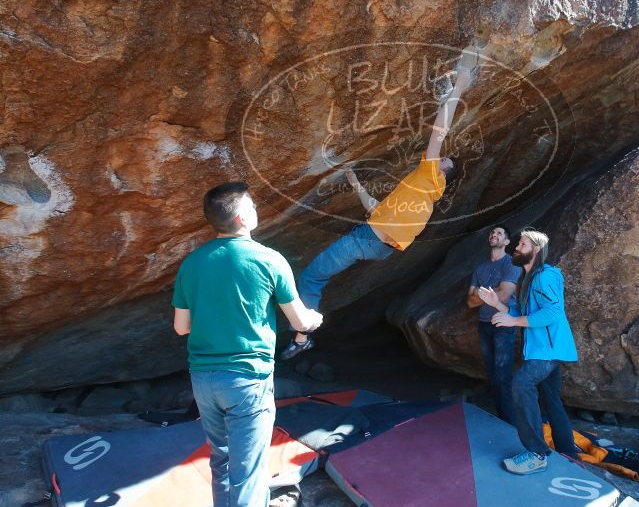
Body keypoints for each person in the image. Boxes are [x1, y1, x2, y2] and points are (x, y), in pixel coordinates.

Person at [280, 45, 480, 360]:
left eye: (442, 159)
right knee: (326, 268)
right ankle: (301, 328)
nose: (436, 156)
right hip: (380, 246)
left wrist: (458, 87)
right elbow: (375, 210)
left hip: (370, 239)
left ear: (444, 170)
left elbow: (439, 131)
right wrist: (356, 184)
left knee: (311, 276)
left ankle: (302, 336)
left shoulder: (431, 176)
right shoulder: (420, 192)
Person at [172, 182, 322, 507]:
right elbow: (299, 322)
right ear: (242, 218)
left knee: (221, 459)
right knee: (249, 472)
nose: (256, 210)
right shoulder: (269, 260)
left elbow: (181, 328)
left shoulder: (192, 263)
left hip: (203, 380)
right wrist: (314, 319)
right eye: (252, 206)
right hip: (247, 380)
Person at [478, 229, 578, 475]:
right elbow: (520, 316)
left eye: (522, 244)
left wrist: (513, 322)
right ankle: (568, 452)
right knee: (552, 400)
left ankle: (536, 453)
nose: (516, 248)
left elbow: (553, 312)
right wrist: (496, 304)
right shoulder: (529, 280)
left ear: (535, 249)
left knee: (521, 384)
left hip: (549, 350)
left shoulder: (545, 275)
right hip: (542, 351)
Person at [466, 224, 522, 423]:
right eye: (492, 232)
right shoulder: (480, 268)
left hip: (503, 324)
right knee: (492, 373)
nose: (494, 235)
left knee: (502, 375)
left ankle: (511, 423)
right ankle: (501, 417)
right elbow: (469, 301)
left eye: (499, 233)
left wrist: (481, 293)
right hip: (484, 323)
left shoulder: (511, 264)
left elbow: (505, 295)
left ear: (506, 241)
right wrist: (492, 293)